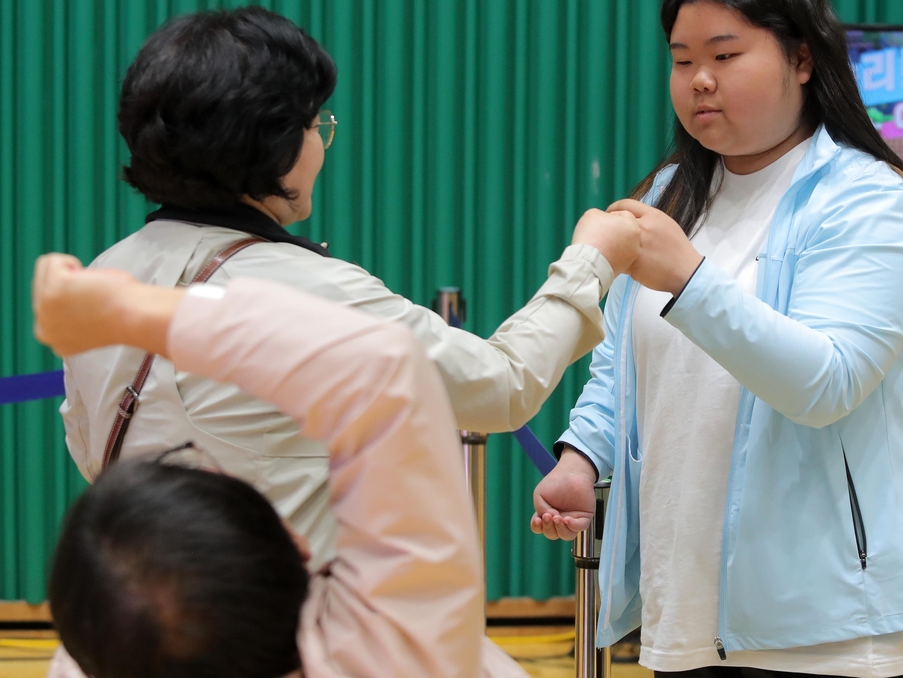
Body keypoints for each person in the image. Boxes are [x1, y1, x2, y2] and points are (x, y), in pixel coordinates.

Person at [62, 6, 635, 566]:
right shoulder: (303, 291)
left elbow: (90, 447)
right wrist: (592, 260)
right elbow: (502, 385)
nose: (321, 143)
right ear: (273, 141)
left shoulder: (102, 281)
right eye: (315, 125)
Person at [531, 0, 903, 677]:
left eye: (725, 56)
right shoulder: (670, 195)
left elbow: (827, 384)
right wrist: (582, 456)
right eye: (681, 58)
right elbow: (622, 366)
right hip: (684, 617)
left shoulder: (871, 201)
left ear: (802, 60)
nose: (698, 81)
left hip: (825, 636)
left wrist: (691, 280)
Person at [37, 242, 655, 678]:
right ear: (299, 551)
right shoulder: (395, 657)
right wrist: (133, 312)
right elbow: (384, 370)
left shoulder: (92, 658)